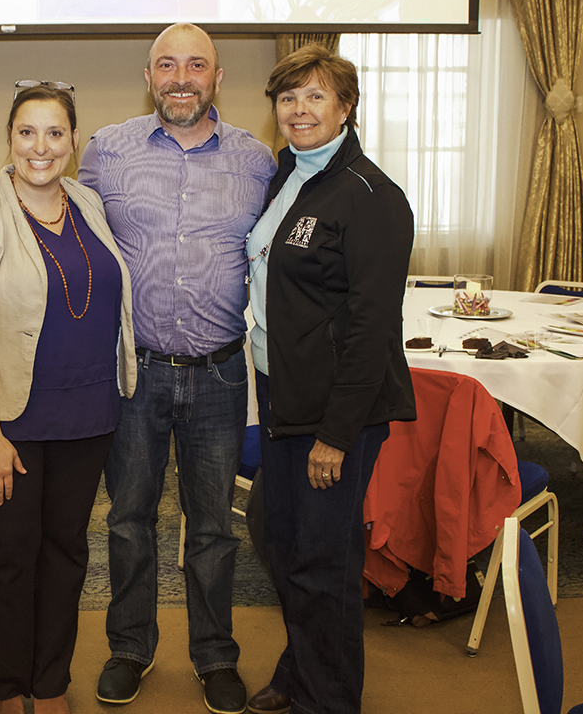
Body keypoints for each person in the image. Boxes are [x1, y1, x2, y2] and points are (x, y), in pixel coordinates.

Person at [78, 22, 275, 714]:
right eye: (168, 65)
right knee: (129, 519)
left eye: (197, 65)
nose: (182, 77)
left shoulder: (257, 160)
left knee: (214, 526)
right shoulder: (106, 152)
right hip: (135, 374)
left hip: (221, 374)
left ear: (217, 78)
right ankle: (130, 646)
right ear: (149, 75)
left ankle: (215, 653)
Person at [0, 81, 137, 714]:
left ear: (75, 141)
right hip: (7, 419)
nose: (40, 146)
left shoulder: (87, 203)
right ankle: (3, 688)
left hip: (88, 415)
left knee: (68, 553)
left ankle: (49, 681)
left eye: (55, 132)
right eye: (27, 132)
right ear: (10, 139)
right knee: (10, 556)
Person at [244, 44, 415, 714]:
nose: (298, 109)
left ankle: (329, 700)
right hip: (284, 398)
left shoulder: (371, 196)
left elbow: (374, 332)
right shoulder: (287, 175)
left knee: (324, 561)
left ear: (346, 107)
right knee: (278, 537)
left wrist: (336, 437)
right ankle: (302, 668)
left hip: (335, 416)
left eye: (315, 96)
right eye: (288, 97)